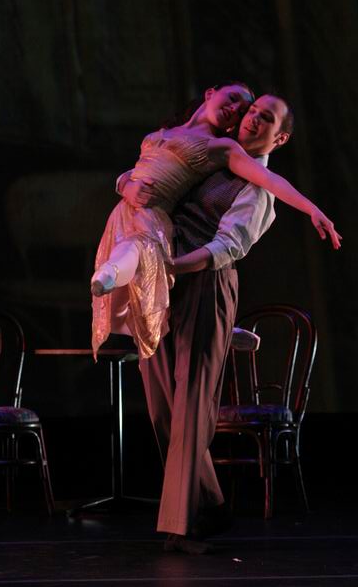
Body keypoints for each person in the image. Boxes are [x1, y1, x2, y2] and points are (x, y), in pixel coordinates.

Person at [119, 93, 313, 554]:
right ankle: (212, 506)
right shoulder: (213, 156)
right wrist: (125, 183)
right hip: (164, 283)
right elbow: (154, 178)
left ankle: (181, 526)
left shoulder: (258, 189)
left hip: (205, 283)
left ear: (279, 137)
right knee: (162, 408)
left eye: (266, 118)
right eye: (252, 111)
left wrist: (171, 266)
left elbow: (226, 247)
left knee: (191, 403)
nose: (253, 119)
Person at [91, 83, 341, 362]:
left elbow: (269, 180)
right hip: (126, 213)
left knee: (133, 253)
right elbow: (142, 169)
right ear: (210, 93)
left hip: (155, 223)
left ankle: (114, 274)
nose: (236, 110)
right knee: (115, 315)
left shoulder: (222, 148)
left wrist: (312, 209)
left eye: (241, 110)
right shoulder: (167, 133)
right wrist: (125, 185)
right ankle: (222, 333)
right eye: (236, 101)